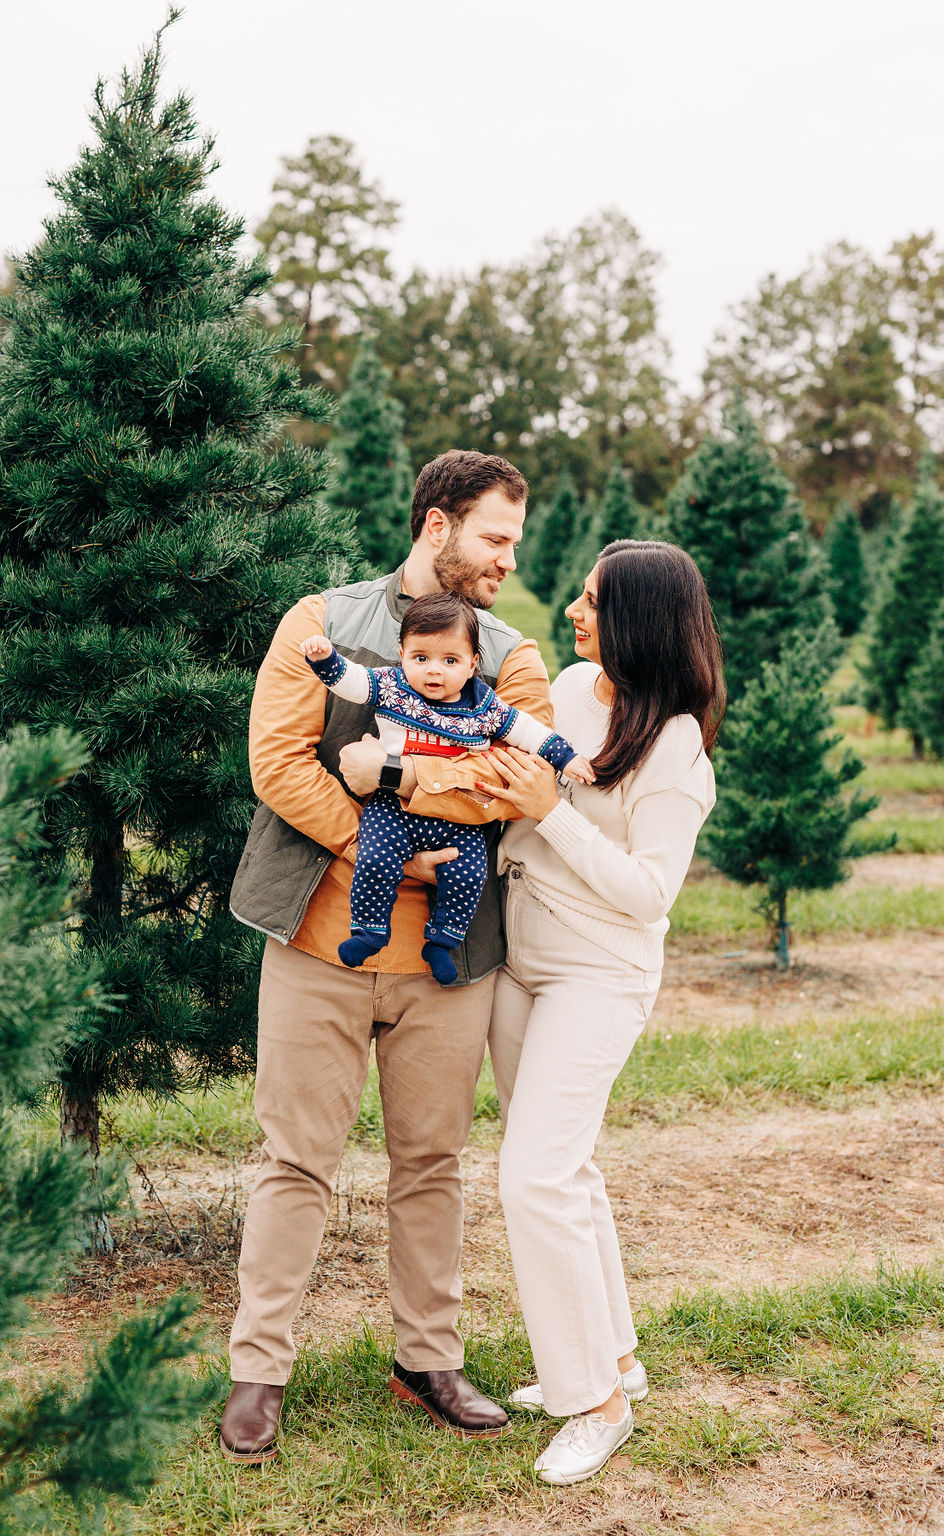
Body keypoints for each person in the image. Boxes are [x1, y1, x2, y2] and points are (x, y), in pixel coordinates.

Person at [220, 450, 551, 1463]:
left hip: (446, 968)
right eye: (494, 537)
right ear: (437, 524)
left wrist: (390, 780)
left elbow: (526, 789)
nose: (505, 561)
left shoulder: (512, 655)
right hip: (318, 945)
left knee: (431, 1164)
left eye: (513, 544)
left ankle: (428, 1360)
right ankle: (258, 1372)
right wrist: (378, 852)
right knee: (294, 1162)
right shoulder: (320, 626)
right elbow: (276, 763)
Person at [481, 540, 725, 1486]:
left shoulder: (675, 750)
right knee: (566, 1171)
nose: (574, 612)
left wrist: (550, 811)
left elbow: (648, 892)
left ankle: (595, 1403)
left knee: (532, 1178)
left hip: (598, 974)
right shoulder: (579, 687)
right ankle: (614, 1357)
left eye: (590, 600)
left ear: (638, 619)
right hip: (520, 962)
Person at [301, 591, 593, 985]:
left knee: (469, 874)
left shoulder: (484, 705)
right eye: (421, 658)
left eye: (450, 661)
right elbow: (351, 682)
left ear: (473, 664)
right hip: (394, 806)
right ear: (402, 654)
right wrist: (325, 660)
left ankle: (441, 941)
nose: (434, 671)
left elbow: (527, 732)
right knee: (374, 857)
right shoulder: (390, 686)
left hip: (456, 815)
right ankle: (369, 931)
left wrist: (566, 757)